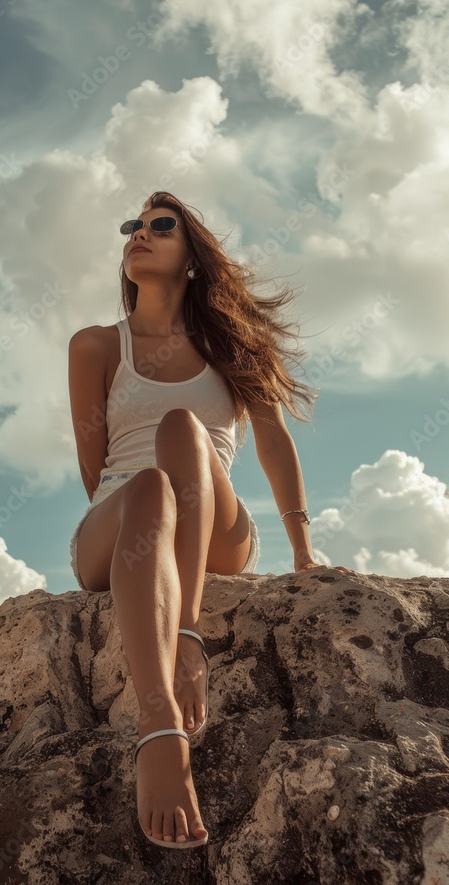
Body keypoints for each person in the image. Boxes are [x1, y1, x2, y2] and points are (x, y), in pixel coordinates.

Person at [67, 190, 355, 849]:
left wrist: (302, 548)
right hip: (124, 521)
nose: (139, 233)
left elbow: (274, 444)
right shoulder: (94, 346)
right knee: (146, 484)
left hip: (216, 527)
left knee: (182, 429)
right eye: (132, 226)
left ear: (192, 258)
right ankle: (160, 721)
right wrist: (147, 509)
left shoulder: (232, 347)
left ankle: (187, 636)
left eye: (159, 226)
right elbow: (95, 469)